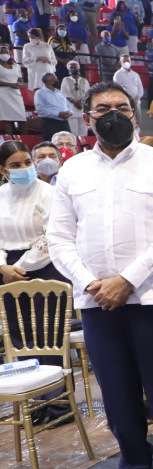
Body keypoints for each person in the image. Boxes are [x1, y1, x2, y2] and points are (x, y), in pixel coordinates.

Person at [46, 81, 153, 469]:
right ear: (87, 117)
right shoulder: (73, 172)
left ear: (134, 113)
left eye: (122, 107)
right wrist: (92, 282)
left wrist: (127, 279)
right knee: (117, 396)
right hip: (98, 302)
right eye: (103, 108)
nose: (114, 114)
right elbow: (59, 237)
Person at [0, 140, 73, 425]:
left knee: (47, 339)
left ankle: (59, 406)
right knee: (21, 339)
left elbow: (51, 236)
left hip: (45, 267)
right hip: (7, 271)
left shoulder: (49, 193)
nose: (24, 168)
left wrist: (19, 267)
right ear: (3, 170)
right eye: (15, 165)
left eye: (27, 163)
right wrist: (3, 267)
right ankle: (36, 404)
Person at [34, 73, 74, 140]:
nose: (57, 81)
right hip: (50, 123)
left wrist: (69, 112)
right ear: (48, 81)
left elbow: (68, 105)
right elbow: (41, 110)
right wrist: (58, 114)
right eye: (55, 79)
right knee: (51, 143)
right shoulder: (40, 93)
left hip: (64, 123)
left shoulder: (60, 92)